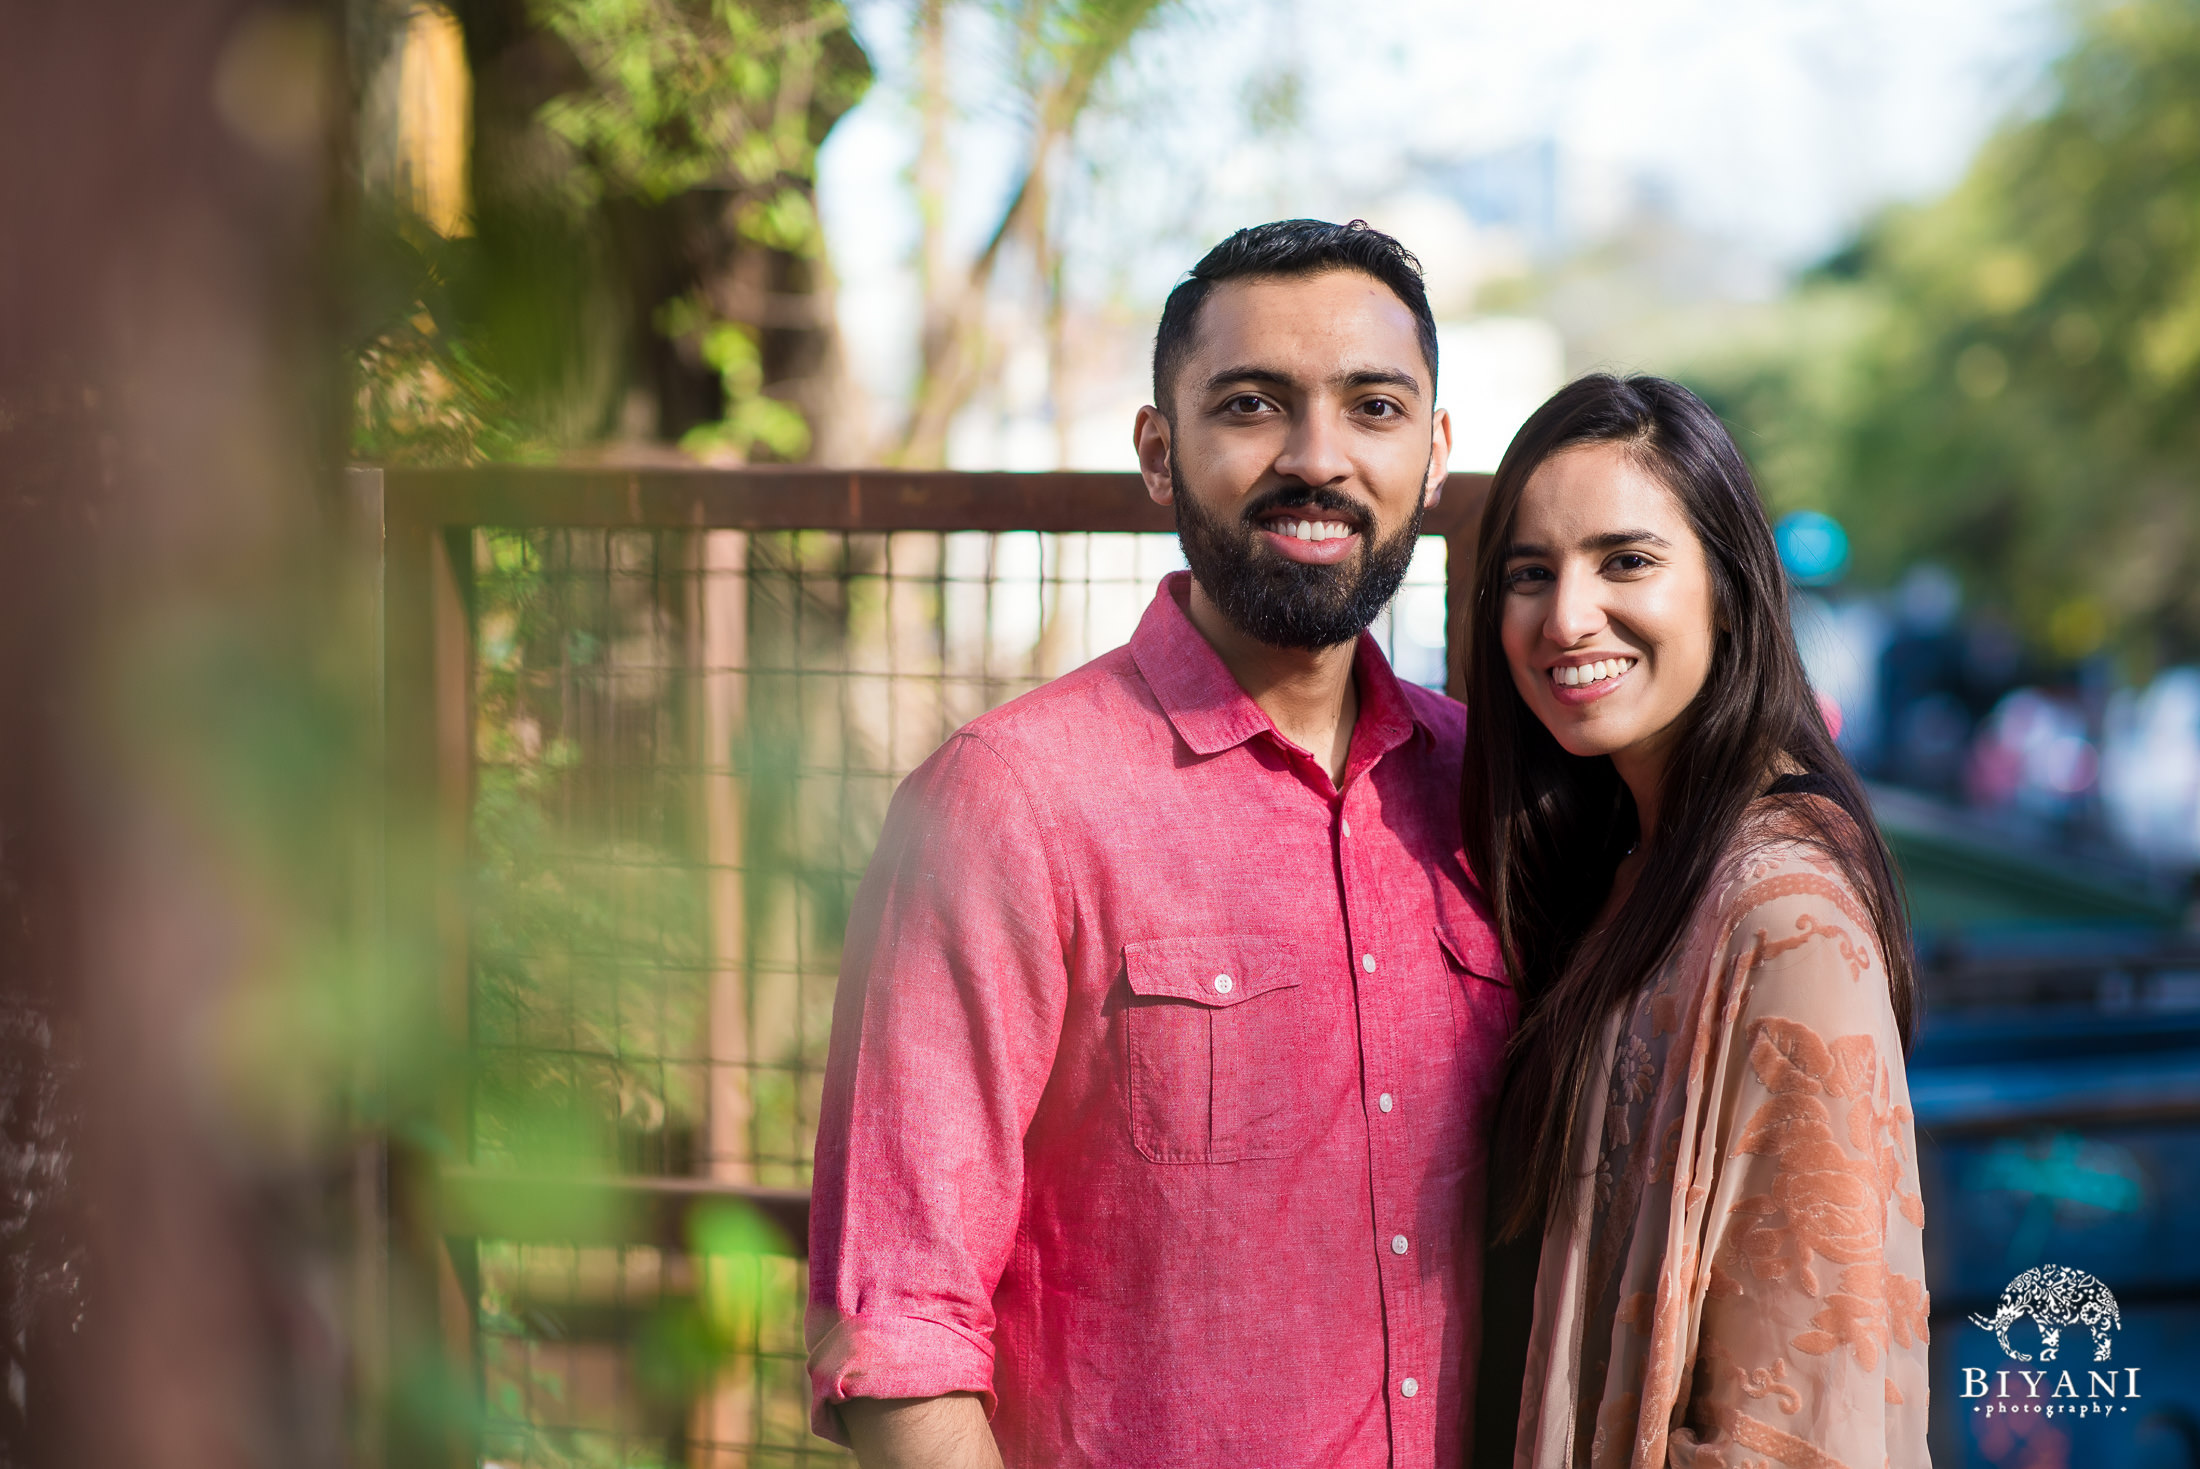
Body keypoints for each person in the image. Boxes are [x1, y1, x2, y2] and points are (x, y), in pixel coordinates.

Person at [806, 219, 1514, 1469]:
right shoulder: (1006, 804)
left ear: (1435, 455)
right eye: (1251, 404)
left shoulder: (1494, 797)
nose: (1317, 458)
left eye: (1374, 406)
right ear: (1157, 450)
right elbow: (898, 1324)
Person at [1460, 374, 1928, 1468]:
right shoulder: (1640, 857)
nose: (1566, 614)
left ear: (1727, 586)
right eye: (1530, 573)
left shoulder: (1788, 920)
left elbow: (1812, 1412)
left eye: (1625, 560)